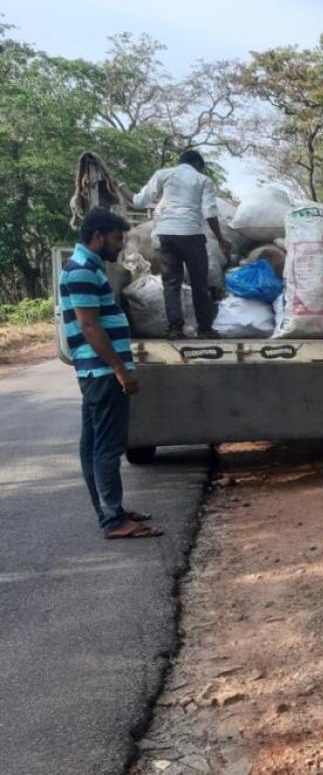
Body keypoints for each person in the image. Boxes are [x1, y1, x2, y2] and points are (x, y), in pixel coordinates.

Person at [59, 208, 162, 539]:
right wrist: (120, 369)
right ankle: (114, 522)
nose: (120, 246)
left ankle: (111, 511)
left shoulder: (89, 268)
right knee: (106, 447)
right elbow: (89, 326)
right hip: (103, 371)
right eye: (117, 239)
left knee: (92, 447)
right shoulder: (81, 271)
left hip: (97, 371)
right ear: (98, 235)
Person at [122, 150, 230, 339]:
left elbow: (138, 201)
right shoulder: (203, 180)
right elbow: (210, 212)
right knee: (200, 284)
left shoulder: (163, 174)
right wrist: (221, 239)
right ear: (198, 164)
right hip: (192, 235)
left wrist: (120, 186)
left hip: (166, 236)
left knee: (171, 284)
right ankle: (204, 329)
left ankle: (175, 329)